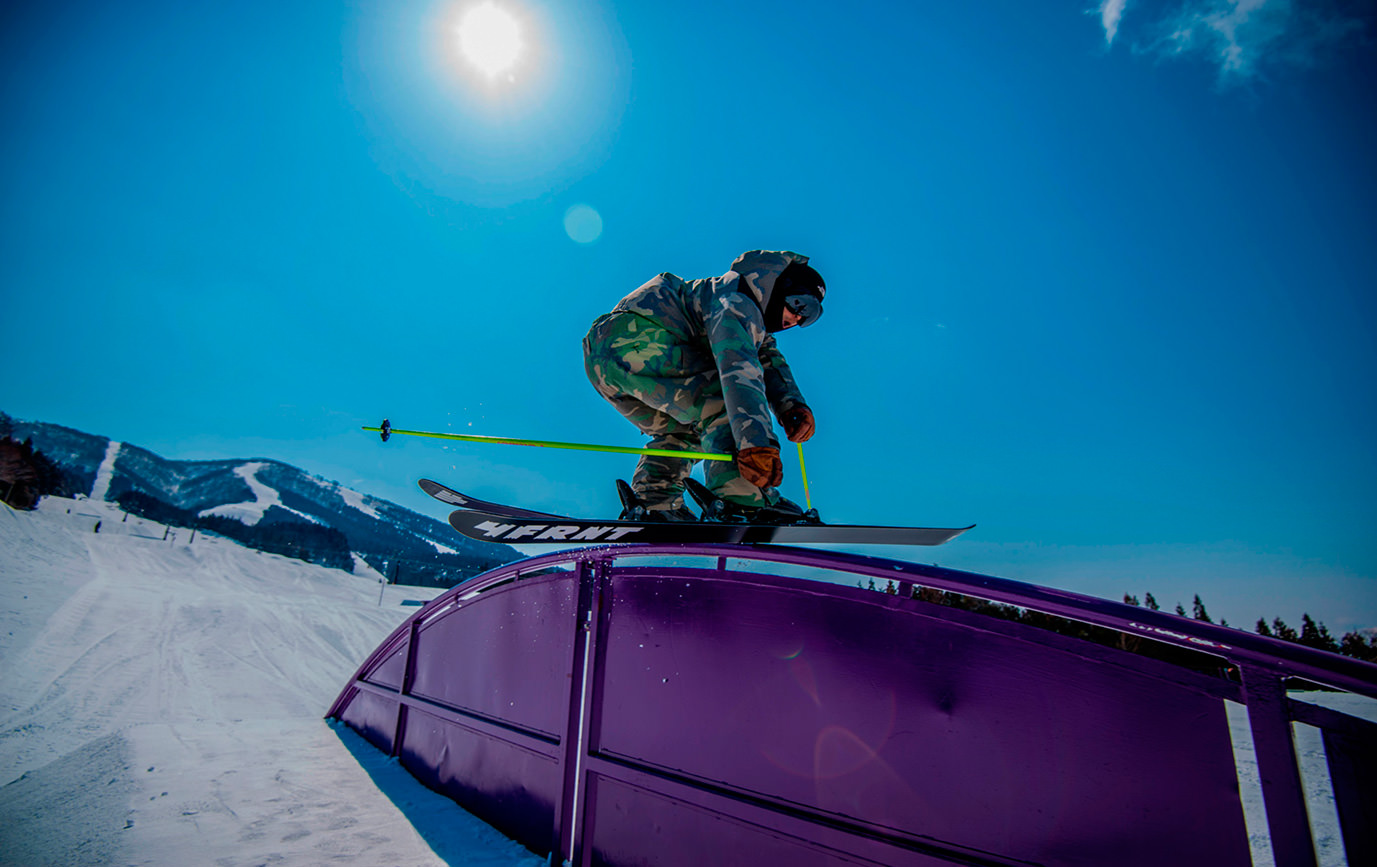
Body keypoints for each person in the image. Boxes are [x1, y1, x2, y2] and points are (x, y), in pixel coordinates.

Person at [582, 249, 825, 522]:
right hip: (639, 339)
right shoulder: (737, 298)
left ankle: (656, 505)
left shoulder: (743, 314)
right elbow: (738, 369)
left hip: (604, 360)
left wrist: (791, 405)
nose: (798, 318)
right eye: (799, 303)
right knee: (722, 402)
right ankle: (744, 500)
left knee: (687, 429)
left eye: (811, 315)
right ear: (777, 286)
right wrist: (756, 445)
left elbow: (767, 360)